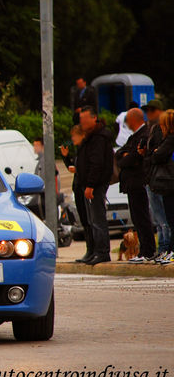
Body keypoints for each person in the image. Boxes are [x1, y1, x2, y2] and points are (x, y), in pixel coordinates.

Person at [115, 108, 156, 263]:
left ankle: (148, 251)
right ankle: (144, 250)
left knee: (142, 217)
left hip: (138, 181)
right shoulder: (134, 136)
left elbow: (130, 159)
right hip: (132, 183)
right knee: (137, 218)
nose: (126, 124)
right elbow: (120, 155)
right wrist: (127, 156)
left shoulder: (144, 135)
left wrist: (128, 157)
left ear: (133, 120)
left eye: (127, 120)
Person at [76, 106, 113, 265]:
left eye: (85, 120)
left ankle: (102, 252)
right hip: (88, 184)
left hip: (95, 185)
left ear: (94, 118)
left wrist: (90, 185)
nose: (82, 123)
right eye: (81, 120)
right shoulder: (90, 136)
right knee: (92, 220)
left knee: (98, 220)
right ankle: (94, 251)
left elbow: (97, 163)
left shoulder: (99, 137)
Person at [139, 99, 171, 260]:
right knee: (158, 219)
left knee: (164, 218)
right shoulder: (151, 129)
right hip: (152, 177)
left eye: (152, 110)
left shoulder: (162, 131)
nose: (149, 113)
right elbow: (153, 154)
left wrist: (152, 154)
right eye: (147, 110)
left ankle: (166, 248)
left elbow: (159, 154)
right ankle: (162, 249)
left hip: (161, 179)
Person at [60, 125, 93, 262]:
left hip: (84, 186)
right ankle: (90, 250)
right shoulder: (78, 150)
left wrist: (77, 169)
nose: (72, 138)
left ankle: (93, 250)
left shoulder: (86, 149)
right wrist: (66, 158)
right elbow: (72, 167)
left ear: (81, 135)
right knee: (84, 220)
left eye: (74, 135)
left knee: (89, 219)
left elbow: (83, 168)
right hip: (78, 186)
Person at [148, 110, 174, 264]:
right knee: (169, 219)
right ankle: (170, 249)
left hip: (169, 182)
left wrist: (156, 152)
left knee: (171, 219)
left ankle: (171, 250)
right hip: (168, 183)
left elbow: (157, 156)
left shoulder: (170, 139)